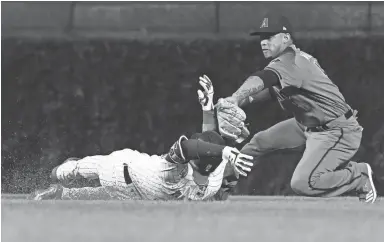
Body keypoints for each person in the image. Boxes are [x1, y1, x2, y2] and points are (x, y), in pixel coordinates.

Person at [213, 13, 377, 203]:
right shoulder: (289, 62)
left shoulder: (291, 61)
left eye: (269, 37)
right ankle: (219, 188)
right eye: (261, 38)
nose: (263, 42)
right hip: (306, 124)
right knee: (259, 142)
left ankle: (359, 176)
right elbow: (272, 91)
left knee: (304, 183)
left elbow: (263, 79)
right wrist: (241, 101)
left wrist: (235, 97)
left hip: (336, 130)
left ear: (286, 38)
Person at [30, 80, 253, 201]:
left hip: (123, 169)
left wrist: (225, 150)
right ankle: (60, 192)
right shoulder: (212, 182)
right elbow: (208, 149)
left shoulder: (175, 170)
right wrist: (209, 111)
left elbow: (191, 147)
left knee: (88, 170)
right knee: (100, 196)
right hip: (143, 196)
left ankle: (64, 172)